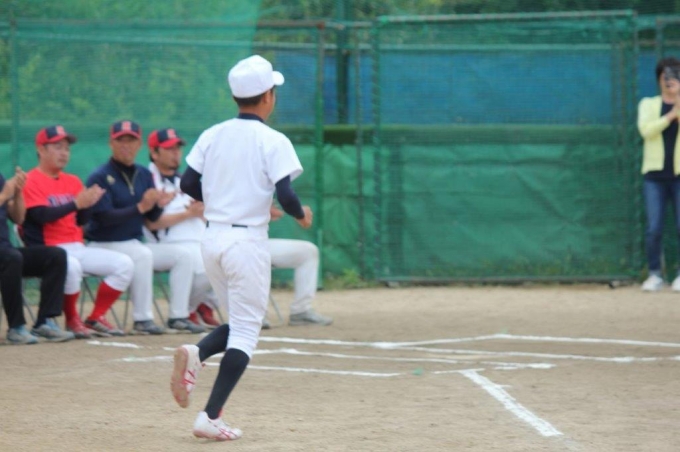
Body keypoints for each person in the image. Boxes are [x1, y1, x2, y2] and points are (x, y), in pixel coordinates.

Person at [170, 54, 312, 441]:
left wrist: (223, 201)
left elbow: (187, 184)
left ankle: (198, 353)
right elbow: (287, 194)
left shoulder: (213, 134)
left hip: (212, 238)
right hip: (246, 242)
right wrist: (300, 215)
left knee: (238, 323)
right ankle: (210, 415)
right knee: (247, 332)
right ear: (267, 97)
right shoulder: (273, 140)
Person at [21, 125, 134, 338]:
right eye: (57, 147)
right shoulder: (30, 180)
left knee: (124, 263)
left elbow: (81, 220)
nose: (64, 152)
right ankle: (72, 319)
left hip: (77, 245)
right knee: (70, 266)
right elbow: (40, 216)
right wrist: (76, 203)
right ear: (41, 149)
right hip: (49, 250)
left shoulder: (72, 180)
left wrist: (88, 204)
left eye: (66, 148)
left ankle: (95, 317)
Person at [86, 120, 186, 335]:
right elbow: (103, 218)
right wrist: (140, 207)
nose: (126, 145)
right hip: (103, 243)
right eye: (120, 140)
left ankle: (180, 315)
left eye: (131, 140)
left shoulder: (144, 174)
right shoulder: (100, 176)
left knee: (180, 255)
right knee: (142, 254)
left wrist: (159, 204)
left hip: (130, 243)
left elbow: (151, 216)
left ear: (139, 144)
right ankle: (143, 319)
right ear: (111, 143)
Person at [143, 128, 208, 333]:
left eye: (177, 148)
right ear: (154, 153)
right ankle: (182, 314)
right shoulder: (147, 180)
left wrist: (202, 212)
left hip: (197, 240)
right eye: (169, 148)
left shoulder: (184, 181)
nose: (176, 153)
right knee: (197, 262)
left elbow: (204, 214)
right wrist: (188, 214)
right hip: (165, 244)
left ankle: (193, 310)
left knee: (223, 258)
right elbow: (151, 223)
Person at [0, 166, 74, 344]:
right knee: (12, 258)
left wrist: (18, 192)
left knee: (55, 256)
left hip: (5, 250)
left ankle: (44, 322)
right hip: (7, 256)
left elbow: (18, 218)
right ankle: (16, 328)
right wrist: (4, 195)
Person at [639, 57, 680, 291]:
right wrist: (670, 115)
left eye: (675, 75)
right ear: (658, 79)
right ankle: (654, 274)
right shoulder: (648, 104)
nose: (669, 80)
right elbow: (646, 130)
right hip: (654, 177)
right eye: (666, 76)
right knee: (654, 227)